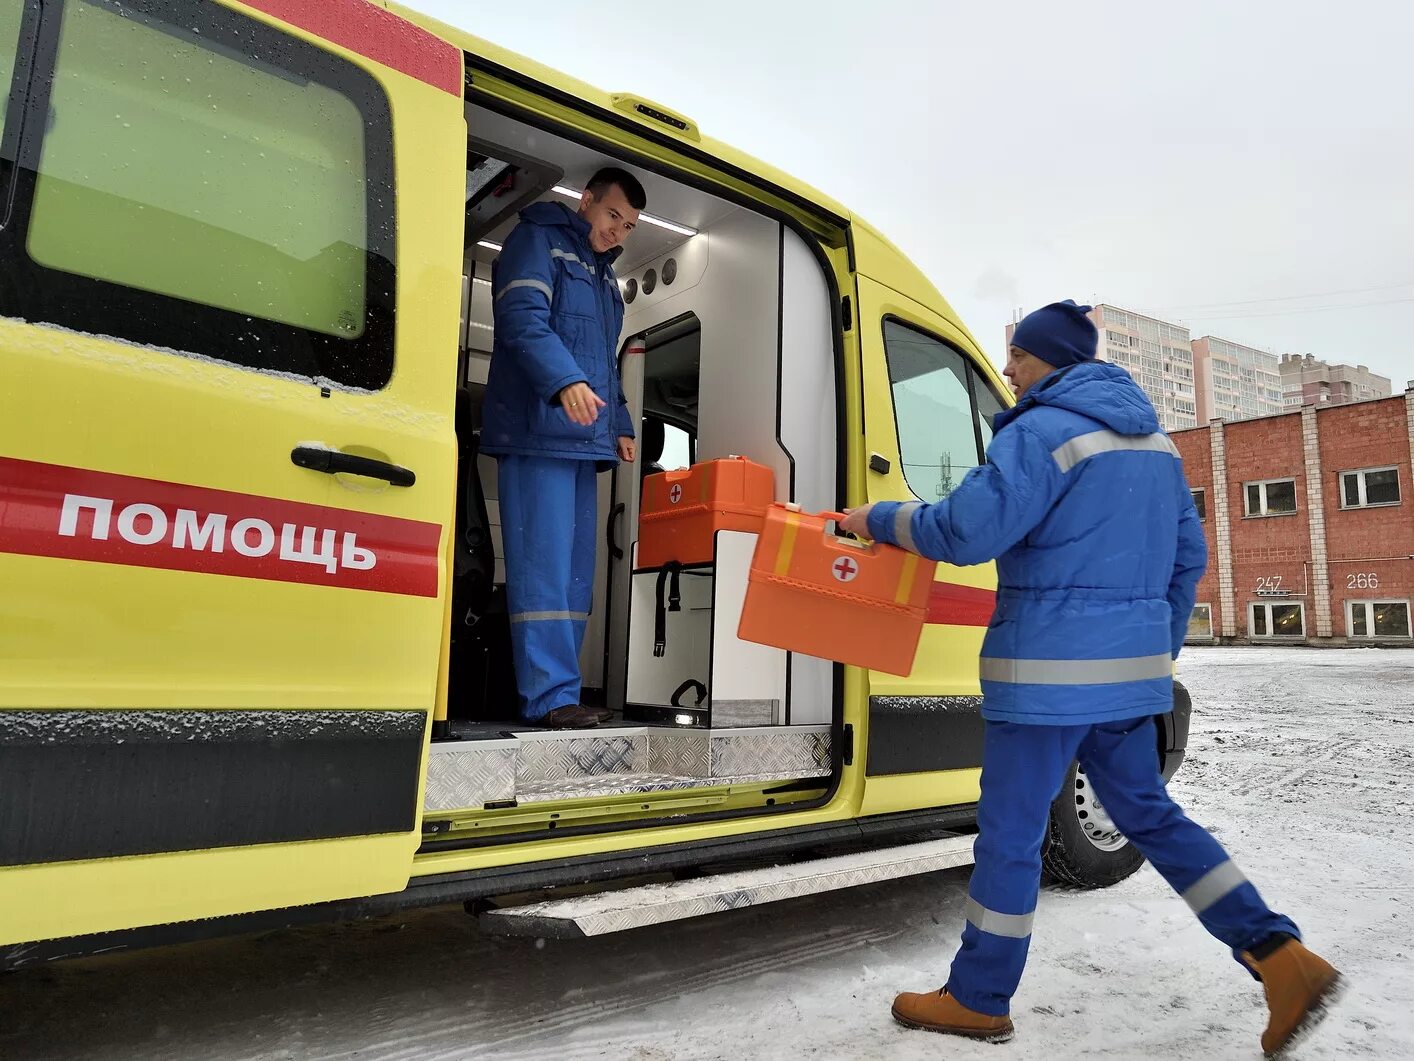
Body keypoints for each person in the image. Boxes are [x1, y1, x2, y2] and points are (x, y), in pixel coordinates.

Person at [839, 301, 1342, 1057]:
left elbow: (964, 531)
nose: (1006, 370)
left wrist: (872, 519)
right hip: (1126, 678)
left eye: (1016, 356)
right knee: (1152, 815)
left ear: (1047, 358)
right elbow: (1187, 561)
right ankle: (1279, 956)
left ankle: (977, 997)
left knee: (1011, 834)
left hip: (1042, 678)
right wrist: (1150, 652)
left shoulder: (1042, 432)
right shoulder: (1156, 446)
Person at [481, 167, 644, 729]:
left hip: (583, 441)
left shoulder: (603, 282)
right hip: (537, 430)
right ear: (586, 200)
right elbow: (522, 322)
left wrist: (619, 422)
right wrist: (563, 381)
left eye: (628, 226)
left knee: (575, 576)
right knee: (543, 569)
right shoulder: (537, 241)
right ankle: (547, 697)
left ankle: (563, 693)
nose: (618, 231)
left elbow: (605, 364)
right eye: (612, 216)